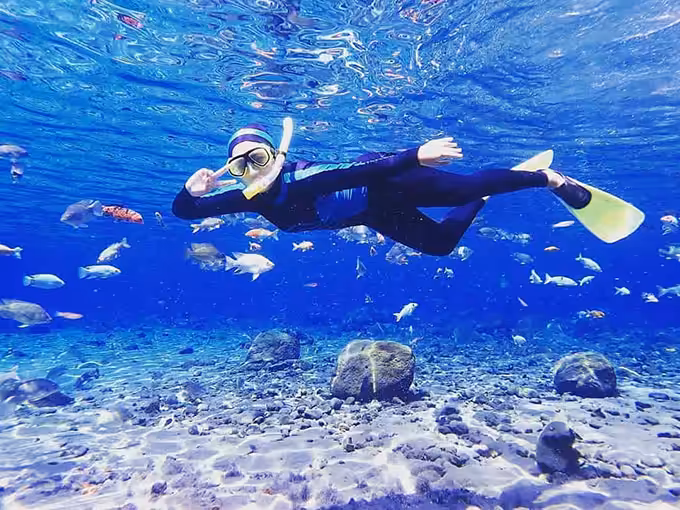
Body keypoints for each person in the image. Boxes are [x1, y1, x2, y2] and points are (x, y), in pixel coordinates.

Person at [172, 123, 644, 254]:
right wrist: (190, 192)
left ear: (276, 155)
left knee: (459, 190)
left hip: (384, 176)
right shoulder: (246, 199)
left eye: (258, 158)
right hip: (372, 211)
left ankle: (550, 179)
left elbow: (352, 175)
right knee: (440, 245)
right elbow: (185, 213)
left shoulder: (304, 179)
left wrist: (415, 155)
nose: (253, 170)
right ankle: (482, 195)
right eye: (241, 166)